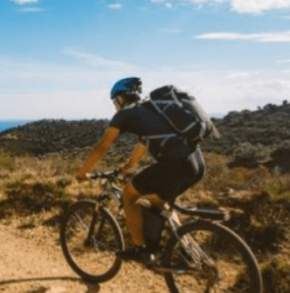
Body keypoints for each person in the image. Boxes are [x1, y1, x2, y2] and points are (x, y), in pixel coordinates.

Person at [75, 77, 208, 264]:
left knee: (129, 194)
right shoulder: (150, 110)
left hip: (175, 164)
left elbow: (103, 146)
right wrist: (124, 168)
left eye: (114, 101)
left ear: (120, 98)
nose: (115, 105)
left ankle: (142, 249)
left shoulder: (126, 114)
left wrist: (83, 172)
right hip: (196, 164)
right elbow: (142, 147)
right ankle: (184, 249)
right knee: (157, 201)